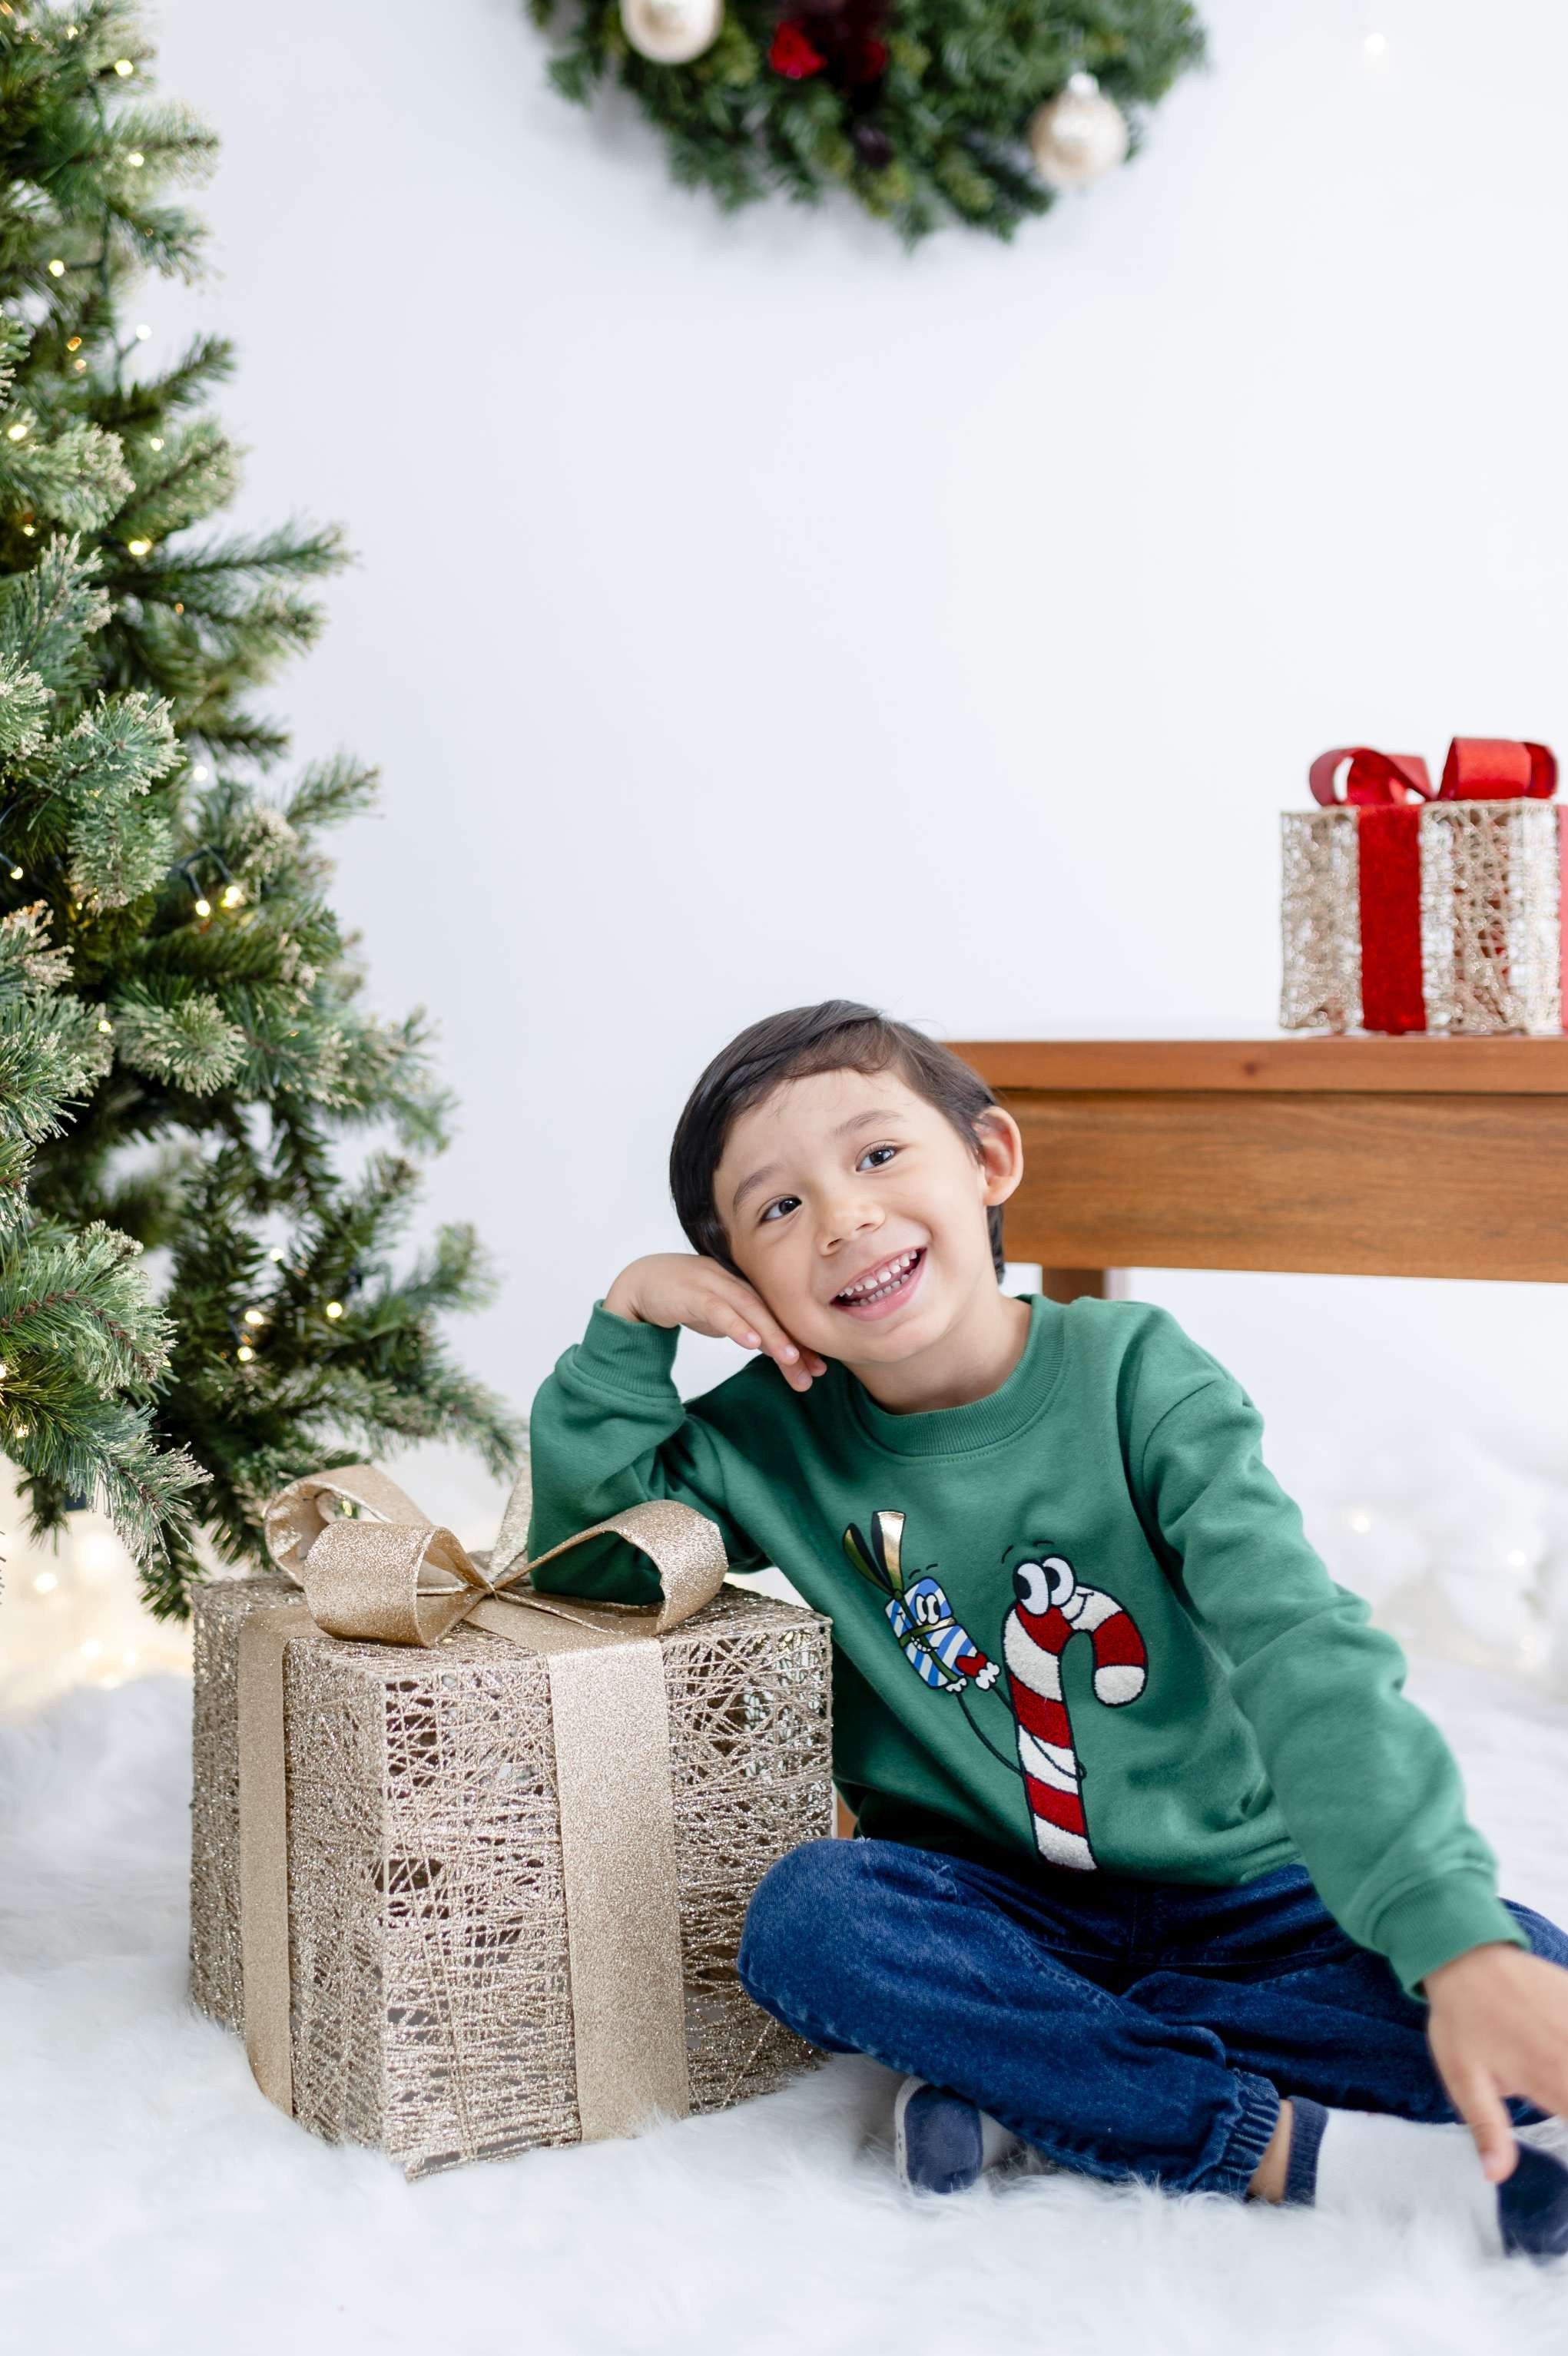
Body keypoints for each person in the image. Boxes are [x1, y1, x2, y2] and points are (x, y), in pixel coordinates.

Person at [526, 999, 1568, 2258]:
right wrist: (629, 1331)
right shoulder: (766, 1437)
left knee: (1519, 1975)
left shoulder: (1139, 1376)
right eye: (775, 1209)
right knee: (812, 1918)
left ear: (989, 1161)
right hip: (990, 1909)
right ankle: (1274, 2150)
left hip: (1250, 1900)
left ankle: (1038, 2082)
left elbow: (1305, 1650)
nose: (842, 1217)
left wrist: (1449, 1947)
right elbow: (597, 1573)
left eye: (874, 1157)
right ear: (745, 1284)